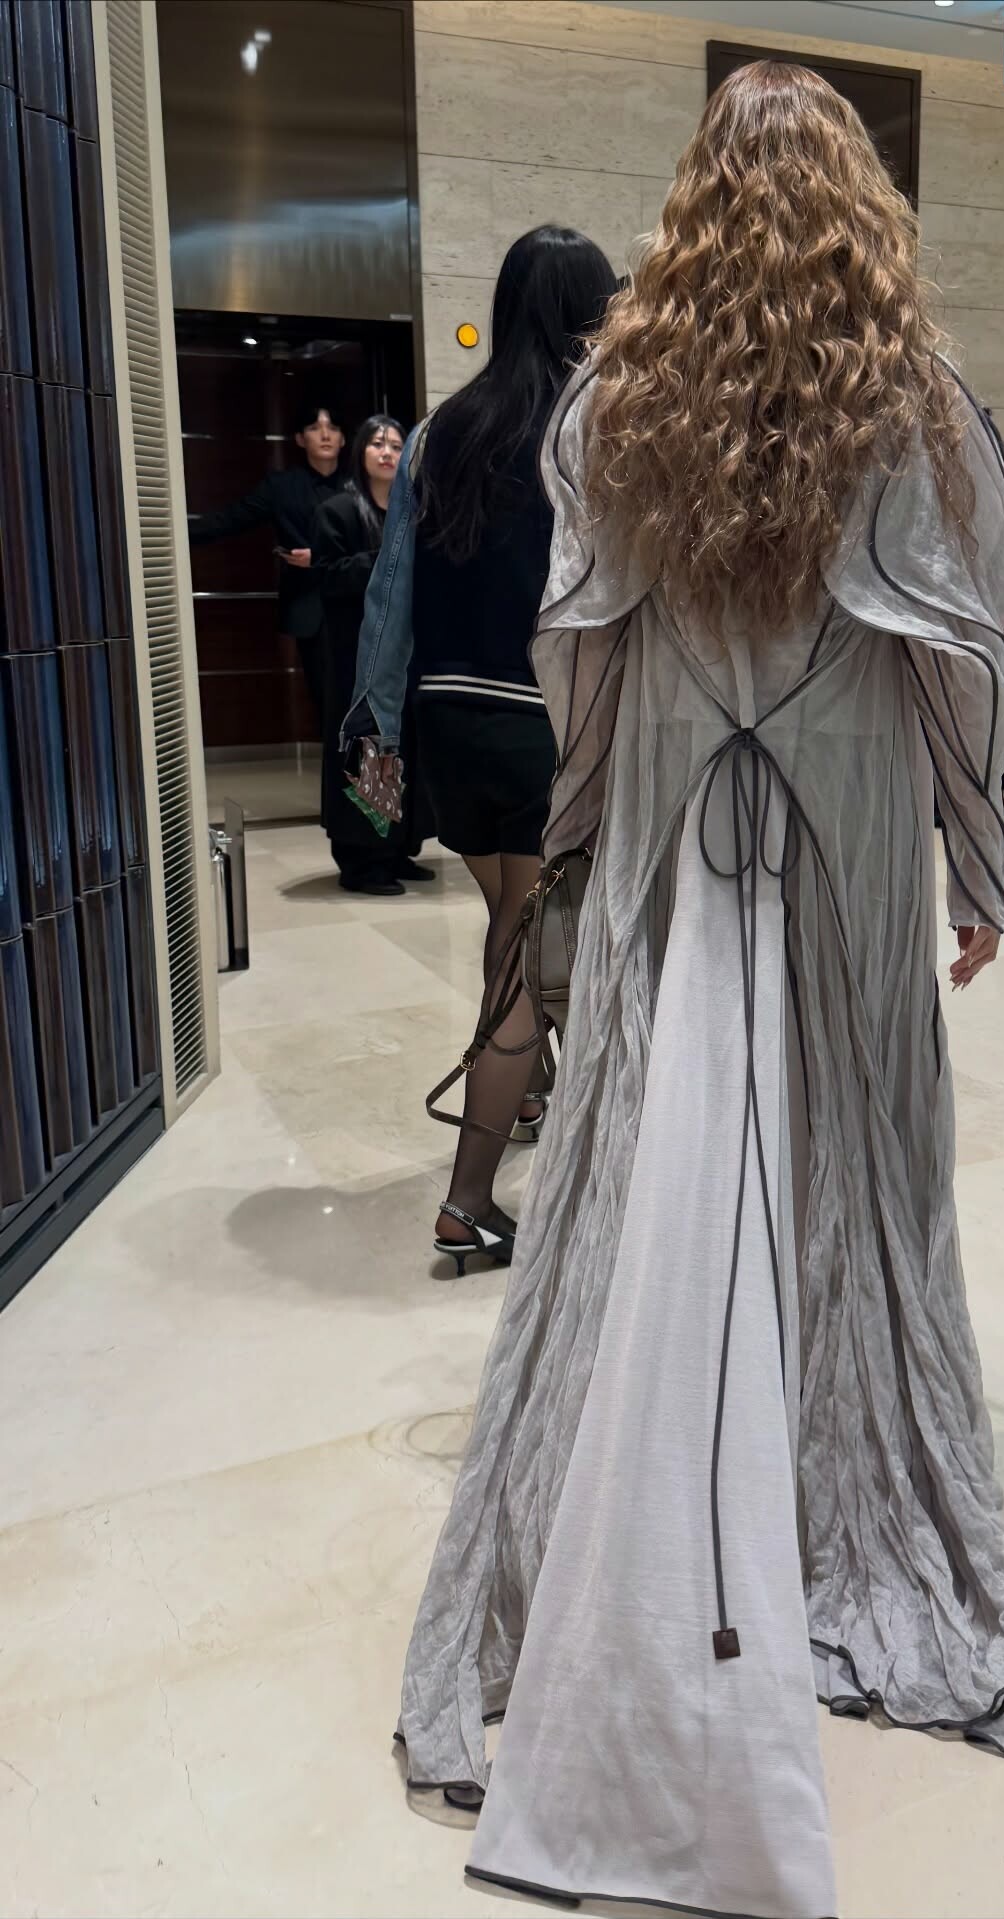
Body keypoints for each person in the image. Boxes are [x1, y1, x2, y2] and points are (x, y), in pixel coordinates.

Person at [394, 63, 1004, 1919]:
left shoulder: (620, 399)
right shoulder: (914, 401)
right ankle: (824, 1500)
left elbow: (580, 639)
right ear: (863, 208)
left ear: (695, 200)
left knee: (657, 1165)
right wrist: (974, 858)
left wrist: (584, 821)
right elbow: (968, 641)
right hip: (848, 831)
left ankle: (640, 1505)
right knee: (847, 1167)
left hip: (673, 830)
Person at [344, 228, 619, 1257]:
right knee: (529, 954)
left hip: (450, 722)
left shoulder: (435, 433)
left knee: (515, 922)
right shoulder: (594, 430)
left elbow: (391, 595)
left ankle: (529, 1092)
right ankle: (467, 1203)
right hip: (547, 725)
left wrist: (377, 725)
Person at [310, 415, 430, 895]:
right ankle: (363, 859)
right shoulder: (338, 511)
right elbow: (327, 577)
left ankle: (397, 847)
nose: (387, 452)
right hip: (354, 657)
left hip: (405, 655)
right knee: (366, 747)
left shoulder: (412, 515)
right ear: (359, 452)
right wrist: (385, 563)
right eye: (377, 444)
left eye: (396, 445)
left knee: (401, 747)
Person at [188, 402, 347, 717]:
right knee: (327, 702)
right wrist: (169, 533)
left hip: (358, 604)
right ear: (300, 439)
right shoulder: (282, 487)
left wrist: (320, 557)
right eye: (314, 428)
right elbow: (230, 519)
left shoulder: (359, 486)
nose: (325, 435)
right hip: (310, 607)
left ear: (343, 438)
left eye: (333, 428)